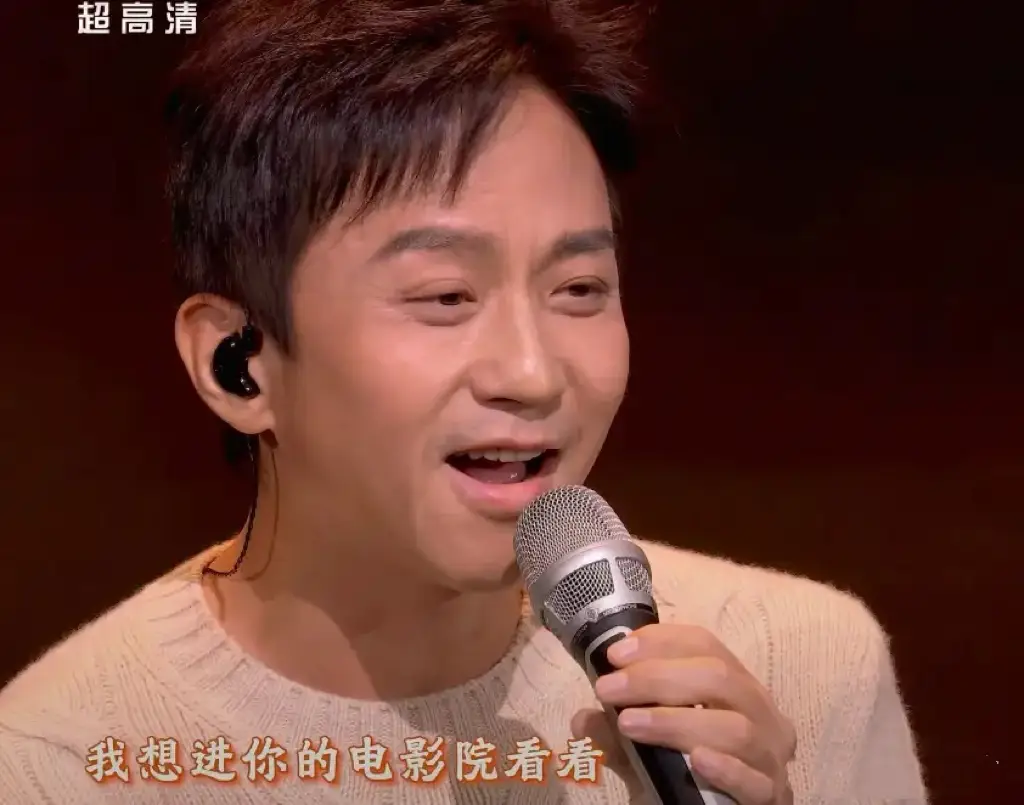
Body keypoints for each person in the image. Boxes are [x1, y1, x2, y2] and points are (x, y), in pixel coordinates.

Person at [0, 0, 927, 802]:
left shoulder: (800, 666)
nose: (532, 371)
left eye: (579, 289)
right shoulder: (56, 763)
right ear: (238, 364)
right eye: (445, 295)